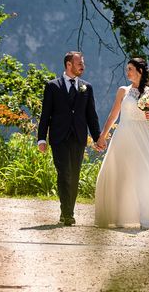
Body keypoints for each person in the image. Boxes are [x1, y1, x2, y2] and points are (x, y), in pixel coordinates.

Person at [94, 57, 149, 228]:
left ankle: (146, 218)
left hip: (142, 135)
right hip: (123, 135)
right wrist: (103, 135)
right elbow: (113, 115)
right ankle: (117, 216)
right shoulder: (122, 91)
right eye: (127, 69)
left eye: (130, 69)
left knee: (143, 174)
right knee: (118, 172)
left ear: (140, 71)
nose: (127, 72)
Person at [38, 51, 103, 226]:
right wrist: (41, 139)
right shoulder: (52, 86)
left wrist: (98, 138)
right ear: (69, 65)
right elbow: (46, 114)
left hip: (79, 138)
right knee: (64, 173)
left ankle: (69, 211)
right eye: (79, 63)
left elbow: (91, 115)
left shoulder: (86, 87)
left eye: (83, 63)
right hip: (59, 137)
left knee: (74, 175)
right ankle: (66, 213)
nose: (83, 66)